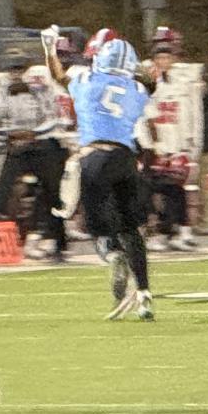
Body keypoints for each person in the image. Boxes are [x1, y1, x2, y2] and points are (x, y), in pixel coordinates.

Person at [44, 26, 156, 317]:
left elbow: (58, 76)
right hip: (125, 158)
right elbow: (148, 83)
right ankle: (144, 293)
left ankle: (114, 255)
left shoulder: (86, 77)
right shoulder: (138, 90)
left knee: (96, 227)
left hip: (93, 157)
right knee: (131, 228)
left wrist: (48, 50)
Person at [0, 59, 66, 261]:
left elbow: (53, 117)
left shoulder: (40, 91)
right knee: (0, 197)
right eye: (12, 70)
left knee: (53, 195)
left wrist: (33, 133)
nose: (16, 74)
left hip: (38, 147)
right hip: (14, 150)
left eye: (19, 69)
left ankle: (60, 243)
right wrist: (10, 135)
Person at [138, 27, 203, 251]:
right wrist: (149, 144)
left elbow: (192, 115)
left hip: (176, 144)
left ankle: (179, 230)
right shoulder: (146, 84)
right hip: (155, 146)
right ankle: (159, 231)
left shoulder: (182, 83)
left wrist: (191, 144)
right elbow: (144, 116)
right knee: (151, 190)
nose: (163, 61)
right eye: (159, 57)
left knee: (176, 189)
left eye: (167, 57)